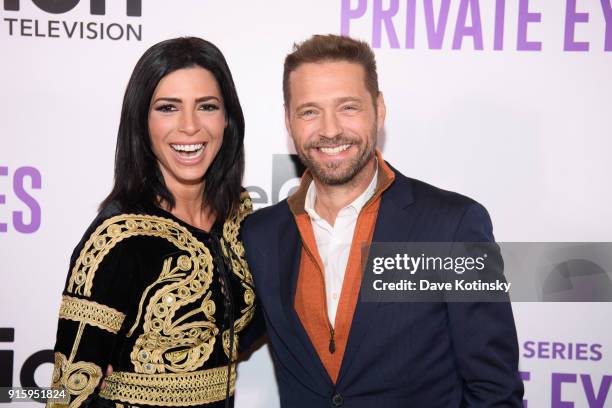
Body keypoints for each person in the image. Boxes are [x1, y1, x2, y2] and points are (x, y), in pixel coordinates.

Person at [241, 34, 524, 407]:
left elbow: (494, 391)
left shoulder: (452, 227)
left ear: (379, 108)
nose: (329, 130)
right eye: (309, 111)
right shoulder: (261, 234)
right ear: (288, 121)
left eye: (348, 107)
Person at [48, 37, 258, 408]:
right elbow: (66, 395)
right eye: (168, 108)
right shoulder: (117, 240)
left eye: (207, 106)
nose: (190, 126)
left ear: (228, 119)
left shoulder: (238, 216)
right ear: (142, 121)